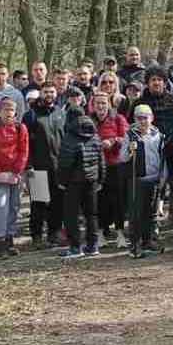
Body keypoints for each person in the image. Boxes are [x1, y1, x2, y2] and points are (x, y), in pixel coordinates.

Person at [57, 104, 104, 259]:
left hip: (73, 182)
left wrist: (61, 181)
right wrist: (101, 180)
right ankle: (93, 245)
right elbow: (101, 160)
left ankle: (75, 247)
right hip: (92, 180)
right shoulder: (95, 135)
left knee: (71, 215)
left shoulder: (69, 137)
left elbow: (65, 163)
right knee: (92, 214)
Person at [0, 96, 29, 257]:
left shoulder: (20, 127)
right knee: (1, 207)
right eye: (6, 109)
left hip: (15, 174)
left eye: (12, 109)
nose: (9, 113)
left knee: (14, 207)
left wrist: (16, 171)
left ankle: (10, 240)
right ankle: (0, 241)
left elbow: (24, 150)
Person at [24, 83, 66, 246]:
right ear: (40, 94)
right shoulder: (31, 115)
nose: (49, 94)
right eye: (46, 92)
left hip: (58, 166)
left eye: (52, 91)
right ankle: (36, 235)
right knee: (39, 202)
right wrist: (29, 165)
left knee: (57, 201)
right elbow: (25, 142)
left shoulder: (60, 112)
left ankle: (54, 233)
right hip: (39, 165)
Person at [125, 104, 167, 257]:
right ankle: (135, 245)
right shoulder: (130, 135)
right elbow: (122, 157)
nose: (143, 121)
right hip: (137, 179)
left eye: (145, 118)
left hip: (154, 179)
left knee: (150, 213)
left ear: (152, 118)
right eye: (139, 118)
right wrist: (129, 150)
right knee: (136, 213)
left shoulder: (159, 136)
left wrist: (163, 178)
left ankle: (148, 241)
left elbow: (163, 159)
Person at [90, 91, 128, 246]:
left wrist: (113, 141)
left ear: (109, 104)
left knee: (118, 200)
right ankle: (100, 233)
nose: (100, 106)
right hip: (95, 165)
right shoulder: (88, 120)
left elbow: (126, 138)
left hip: (115, 165)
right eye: (97, 103)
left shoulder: (118, 118)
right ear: (93, 105)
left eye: (103, 103)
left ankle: (120, 233)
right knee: (99, 200)